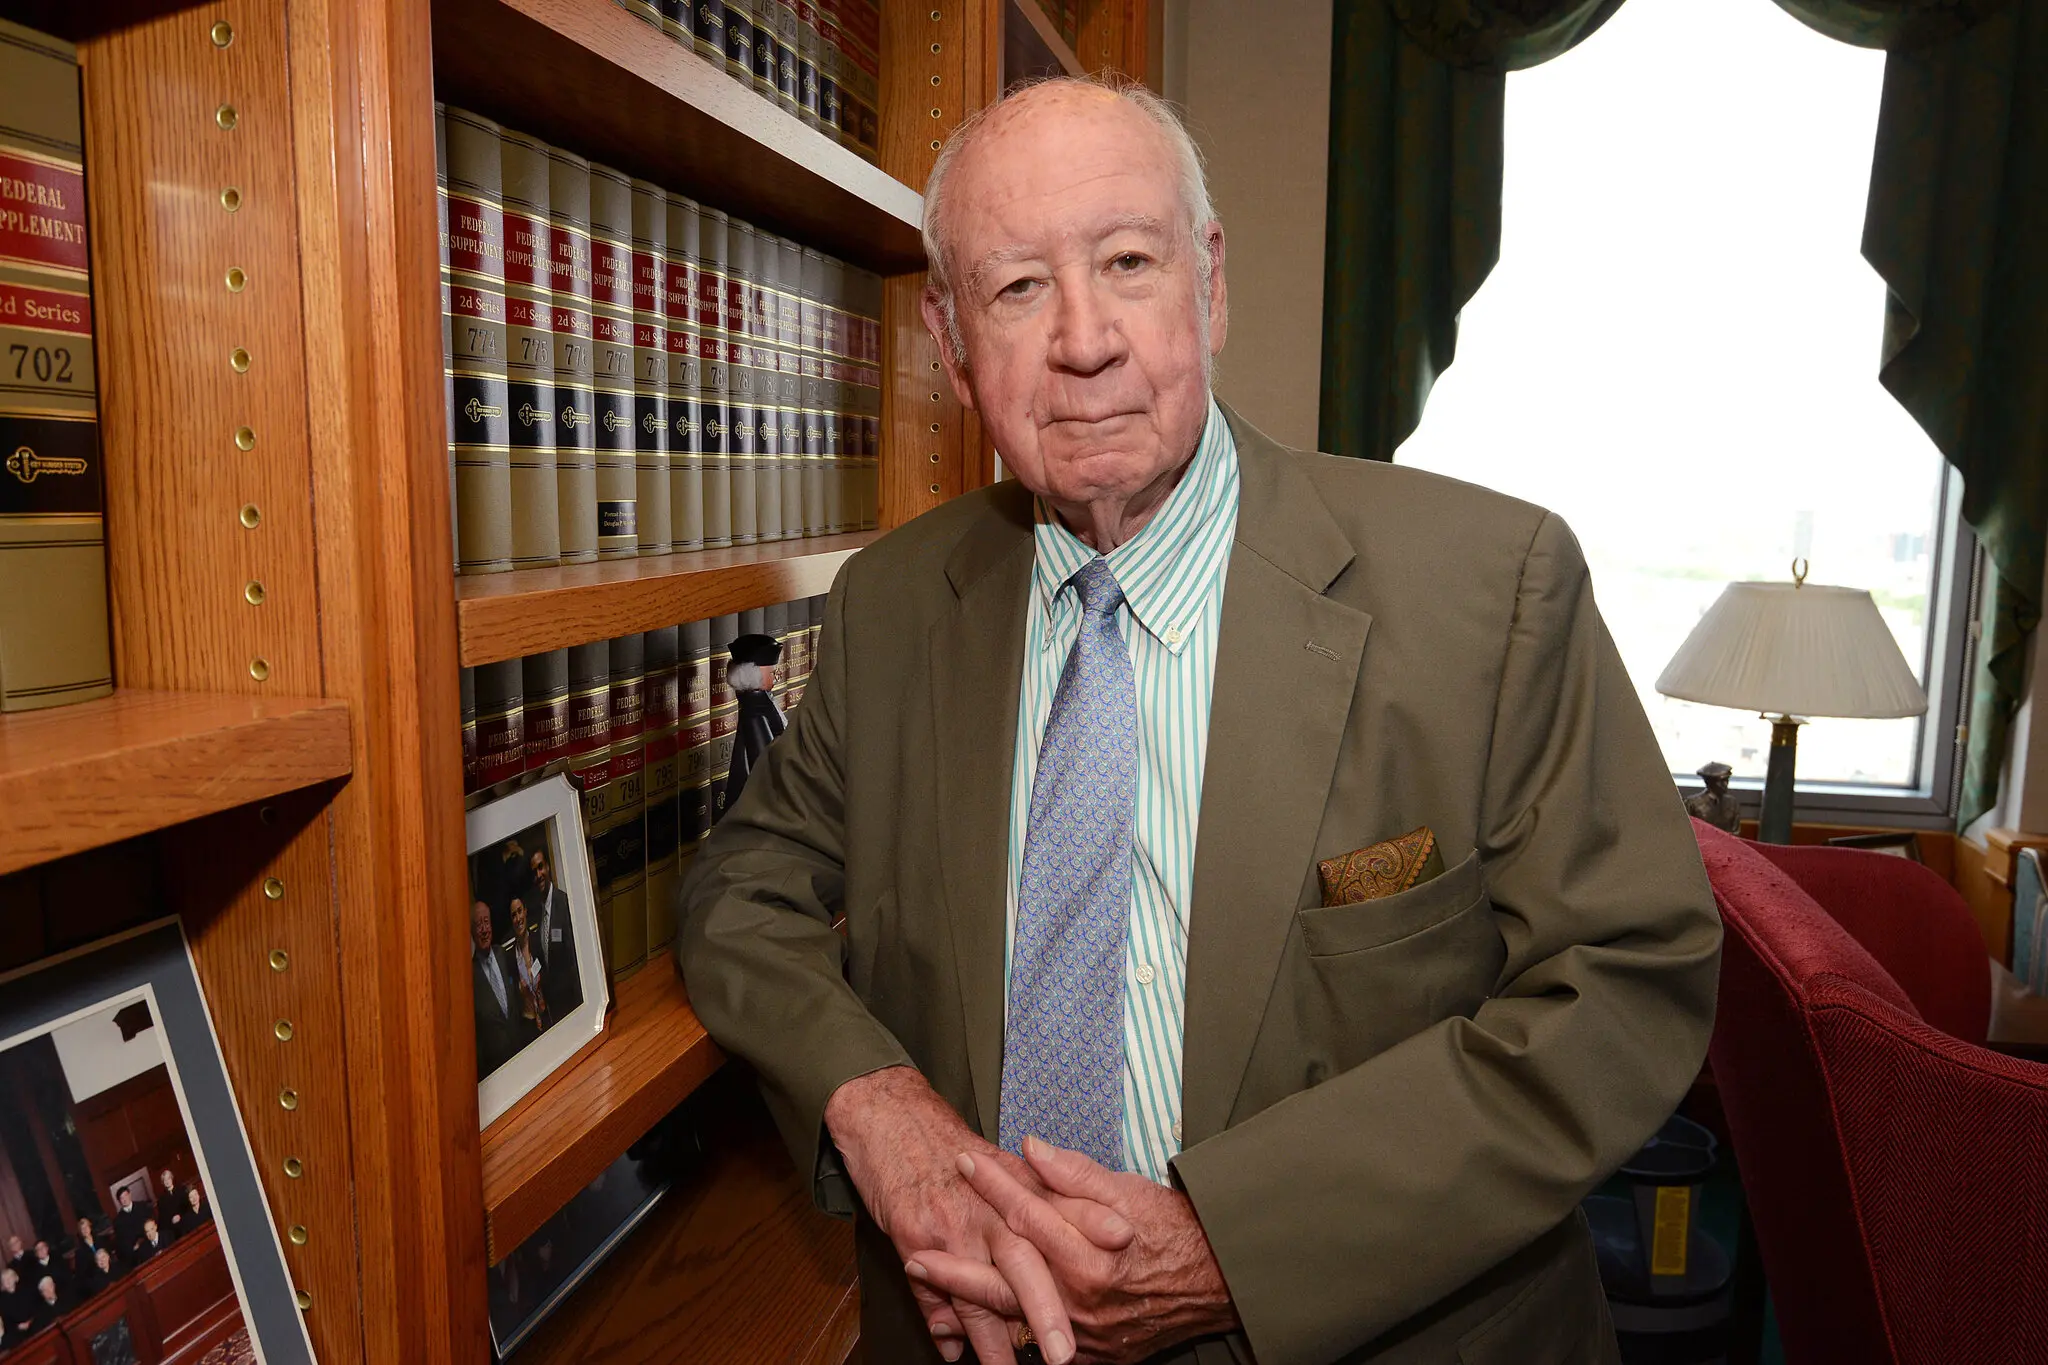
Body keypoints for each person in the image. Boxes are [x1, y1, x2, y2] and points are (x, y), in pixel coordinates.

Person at [673, 75, 1720, 1365]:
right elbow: (742, 892)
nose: (1084, 341)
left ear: (1209, 284)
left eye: (1127, 262)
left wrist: (1237, 1249)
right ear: (949, 344)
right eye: (1017, 288)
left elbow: (1622, 985)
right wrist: (874, 1104)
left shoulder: (1491, 590)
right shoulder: (890, 605)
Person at [712, 633, 787, 822]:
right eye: (772, 673)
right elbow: (763, 757)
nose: (777, 676)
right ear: (752, 676)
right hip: (762, 799)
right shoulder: (755, 713)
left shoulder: (762, 704)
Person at [527, 848, 583, 1017]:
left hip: (573, 1001)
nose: (538, 875)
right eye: (534, 872)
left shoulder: (564, 903)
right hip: (555, 1007)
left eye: (540, 867)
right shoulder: (537, 914)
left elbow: (574, 959)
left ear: (548, 867)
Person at [472, 897, 523, 1079]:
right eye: (478, 925)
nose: (484, 929)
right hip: (496, 1071)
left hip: (522, 1054)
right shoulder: (470, 976)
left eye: (486, 922)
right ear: (471, 932)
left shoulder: (502, 954)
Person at [504, 895, 549, 1037]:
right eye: (513, 915)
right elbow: (512, 997)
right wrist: (519, 990)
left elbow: (550, 975)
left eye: (519, 911)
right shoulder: (510, 957)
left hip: (548, 1015)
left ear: (525, 911)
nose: (518, 918)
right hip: (528, 1026)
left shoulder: (538, 941)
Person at [112, 1188, 151, 1256]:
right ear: (119, 1201)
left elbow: (151, 1223)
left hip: (149, 1241)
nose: (125, 1199)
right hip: (135, 1250)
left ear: (130, 1195)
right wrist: (134, 1246)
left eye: (126, 1195)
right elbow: (122, 1240)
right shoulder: (118, 1221)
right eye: (122, 1198)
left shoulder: (142, 1206)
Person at [0, 1266, 29, 1337]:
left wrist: (30, 1321)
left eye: (9, 1278)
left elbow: (35, 1307)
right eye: (5, 1280)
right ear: (2, 1284)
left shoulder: (26, 1290)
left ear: (15, 1278)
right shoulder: (1, 1301)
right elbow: (6, 1322)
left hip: (33, 1324)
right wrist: (17, 1327)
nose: (8, 1281)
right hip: (16, 1332)